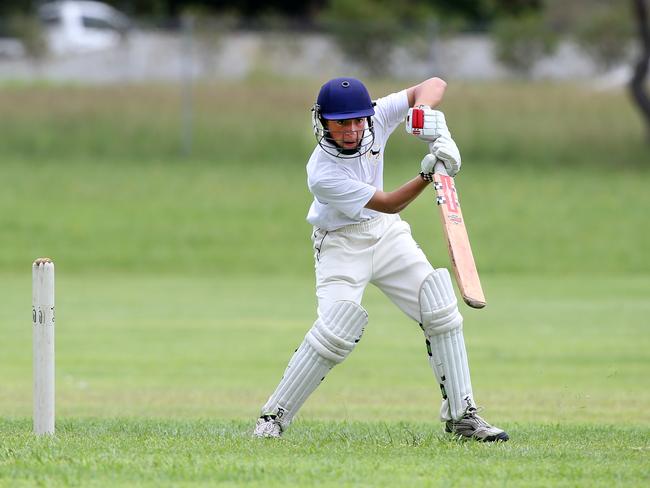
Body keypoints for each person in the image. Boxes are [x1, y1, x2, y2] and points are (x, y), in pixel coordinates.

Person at [253, 77, 508, 442]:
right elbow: (390, 202)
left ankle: (463, 417)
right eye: (342, 122)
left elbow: (433, 83)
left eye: (357, 120)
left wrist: (424, 113)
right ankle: (272, 419)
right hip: (340, 245)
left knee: (439, 306)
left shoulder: (376, 116)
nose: (353, 129)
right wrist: (429, 171)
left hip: (387, 234)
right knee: (335, 331)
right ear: (323, 122)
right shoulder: (321, 173)